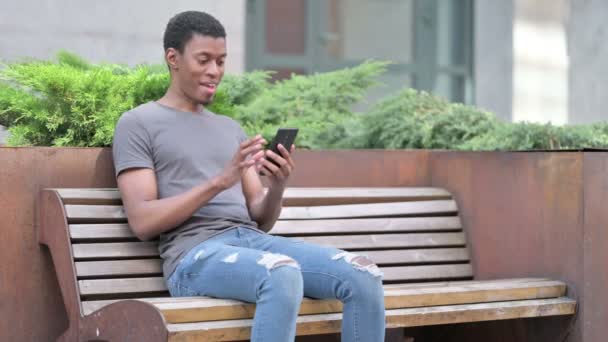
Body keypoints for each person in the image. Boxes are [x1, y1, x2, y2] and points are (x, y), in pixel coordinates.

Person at [112, 10, 385, 342]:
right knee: (281, 274)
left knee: (362, 274)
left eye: (221, 61)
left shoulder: (229, 128)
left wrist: (278, 185)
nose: (215, 71)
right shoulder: (138, 124)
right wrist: (218, 183)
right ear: (173, 58)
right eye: (204, 60)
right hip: (194, 256)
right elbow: (142, 221)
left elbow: (260, 215)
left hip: (252, 243)